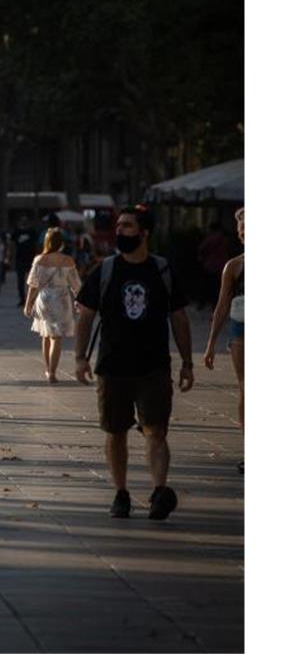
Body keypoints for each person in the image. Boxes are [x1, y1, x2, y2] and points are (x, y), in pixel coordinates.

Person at [74, 205, 194, 521]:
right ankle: (121, 493)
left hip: (153, 366)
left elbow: (179, 318)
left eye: (127, 226)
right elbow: (85, 316)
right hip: (112, 366)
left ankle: (158, 491)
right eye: (119, 226)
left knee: (156, 430)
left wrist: (187, 362)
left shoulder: (163, 271)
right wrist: (79, 357)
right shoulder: (105, 270)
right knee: (115, 432)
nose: (120, 231)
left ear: (144, 232)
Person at [203, 207, 244, 474]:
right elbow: (221, 306)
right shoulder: (235, 266)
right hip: (243, 331)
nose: (243, 232)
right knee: (248, 388)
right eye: (240, 228)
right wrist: (210, 344)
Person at [23, 228, 81, 383]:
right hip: (61, 299)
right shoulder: (68, 260)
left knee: (46, 335)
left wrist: (28, 304)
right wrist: (79, 301)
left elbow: (33, 284)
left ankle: (48, 370)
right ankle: (53, 373)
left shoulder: (39, 260)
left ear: (46, 242)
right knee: (56, 337)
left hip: (44, 299)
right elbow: (76, 285)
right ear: (61, 243)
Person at [196, 221, 231, 309]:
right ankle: (216, 304)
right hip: (222, 266)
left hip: (210, 266)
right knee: (218, 287)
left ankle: (202, 303)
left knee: (206, 285)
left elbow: (202, 248)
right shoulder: (224, 239)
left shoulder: (210, 238)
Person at [10, 216, 38, 307]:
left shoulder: (32, 231)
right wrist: (12, 257)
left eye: (25, 220)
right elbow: (13, 244)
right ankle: (22, 299)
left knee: (32, 281)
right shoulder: (17, 231)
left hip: (30, 259)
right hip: (20, 259)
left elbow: (36, 245)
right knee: (20, 281)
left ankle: (31, 299)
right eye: (22, 220)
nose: (24, 222)